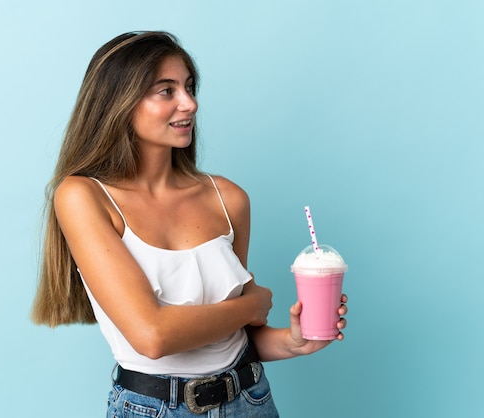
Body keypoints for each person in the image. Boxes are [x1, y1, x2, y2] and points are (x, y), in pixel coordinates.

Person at [31, 31, 348, 417]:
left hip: (250, 399)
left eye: (189, 86)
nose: (190, 103)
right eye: (166, 91)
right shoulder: (83, 196)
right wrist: (252, 304)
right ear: (119, 102)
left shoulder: (228, 198)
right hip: (153, 408)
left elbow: (234, 338)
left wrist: (294, 341)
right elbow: (152, 336)